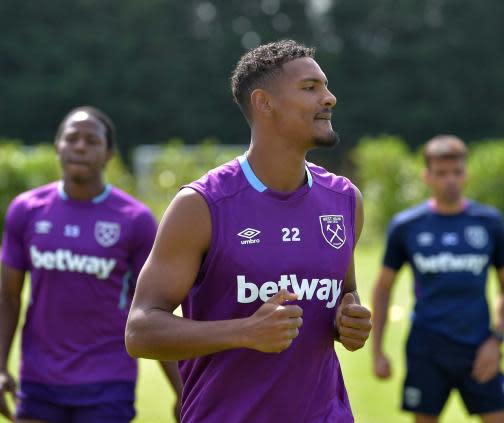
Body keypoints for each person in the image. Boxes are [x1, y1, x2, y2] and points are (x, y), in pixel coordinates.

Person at [125, 39, 372, 423]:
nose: (330, 98)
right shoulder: (202, 205)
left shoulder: (344, 200)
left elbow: (344, 291)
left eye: (325, 85)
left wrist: (349, 317)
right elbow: (140, 330)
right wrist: (244, 332)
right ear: (264, 102)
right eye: (311, 88)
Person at [0, 106, 181, 423]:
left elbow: (155, 308)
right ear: (58, 146)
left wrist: (182, 390)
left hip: (108, 382)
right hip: (39, 382)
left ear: (109, 153)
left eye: (91, 140)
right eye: (71, 138)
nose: (80, 146)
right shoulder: (25, 210)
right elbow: (8, 296)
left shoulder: (134, 220)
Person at [371, 135, 504, 423]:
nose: (450, 180)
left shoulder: (489, 223)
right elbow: (383, 288)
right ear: (427, 176)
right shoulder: (406, 226)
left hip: (478, 348)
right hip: (426, 349)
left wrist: (496, 340)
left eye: (456, 172)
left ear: (466, 174)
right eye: (441, 173)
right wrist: (377, 351)